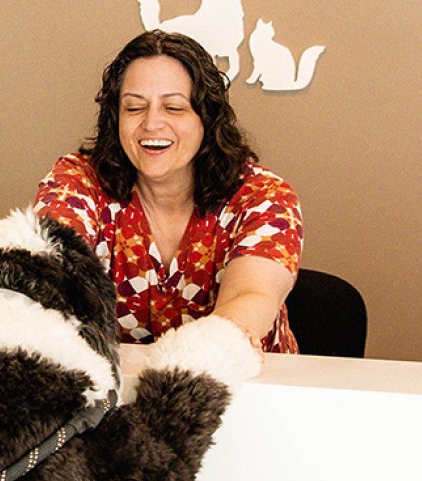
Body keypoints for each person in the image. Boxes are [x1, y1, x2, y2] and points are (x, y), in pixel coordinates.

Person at [35, 30, 304, 354]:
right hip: (111, 394)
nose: (151, 123)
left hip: (243, 391)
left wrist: (197, 363)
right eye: (134, 108)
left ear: (206, 117)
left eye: (174, 108)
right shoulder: (77, 181)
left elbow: (252, 296)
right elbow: (46, 273)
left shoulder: (263, 196)